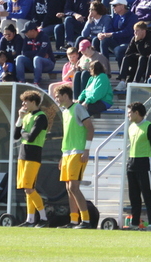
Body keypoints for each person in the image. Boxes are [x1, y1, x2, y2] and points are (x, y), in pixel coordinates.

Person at [53, 84, 94, 229]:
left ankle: (86, 221)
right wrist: (62, 155)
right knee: (69, 188)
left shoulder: (78, 108)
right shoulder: (65, 112)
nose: (56, 98)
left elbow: (90, 127)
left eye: (57, 96)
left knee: (74, 187)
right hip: (67, 153)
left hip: (78, 152)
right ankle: (74, 221)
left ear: (65, 95)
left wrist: (86, 150)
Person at [14, 90, 49, 227]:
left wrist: (23, 132)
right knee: (27, 189)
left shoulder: (41, 117)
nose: (23, 104)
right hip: (23, 154)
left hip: (33, 155)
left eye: (25, 101)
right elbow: (16, 136)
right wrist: (20, 119)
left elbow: (31, 137)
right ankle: (30, 219)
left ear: (33, 102)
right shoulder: (27, 116)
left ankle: (43, 218)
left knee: (29, 188)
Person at [125, 101, 151, 230]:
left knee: (147, 195)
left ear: (136, 113)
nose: (128, 115)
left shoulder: (148, 126)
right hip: (132, 164)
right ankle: (134, 223)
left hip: (145, 164)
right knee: (133, 196)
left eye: (130, 113)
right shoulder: (131, 127)